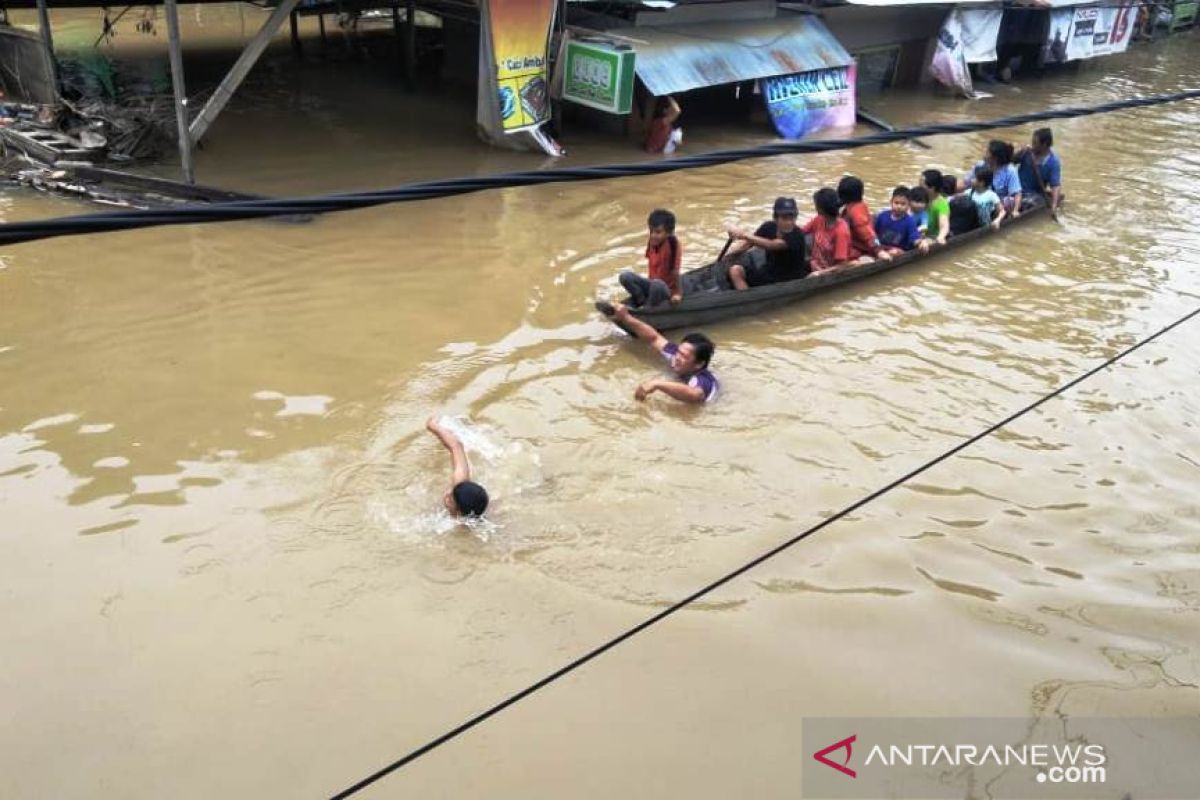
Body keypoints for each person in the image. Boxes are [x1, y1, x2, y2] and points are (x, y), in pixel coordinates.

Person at [595, 301, 718, 404]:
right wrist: (626, 318)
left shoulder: (703, 380)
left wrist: (657, 384)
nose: (677, 357)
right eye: (679, 352)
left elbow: (695, 395)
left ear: (699, 364)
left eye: (684, 356)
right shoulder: (676, 355)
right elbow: (654, 338)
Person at [723, 196, 808, 290]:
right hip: (769, 272)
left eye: (792, 218)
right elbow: (748, 244)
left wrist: (743, 234)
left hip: (790, 279)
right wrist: (729, 255)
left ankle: (750, 301)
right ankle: (747, 298)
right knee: (735, 271)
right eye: (784, 218)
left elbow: (771, 245)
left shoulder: (796, 235)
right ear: (775, 218)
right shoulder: (768, 227)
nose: (789, 222)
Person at [426, 416, 489, 518]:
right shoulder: (460, 484)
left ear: (458, 513)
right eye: (452, 492)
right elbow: (456, 446)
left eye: (450, 498)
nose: (447, 495)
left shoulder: (462, 528)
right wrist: (434, 426)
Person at [619, 208, 681, 308]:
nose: (653, 235)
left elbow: (675, 272)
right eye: (651, 231)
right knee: (625, 276)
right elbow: (652, 264)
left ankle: (647, 309)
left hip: (664, 289)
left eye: (658, 232)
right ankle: (641, 300)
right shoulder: (652, 241)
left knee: (657, 284)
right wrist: (646, 286)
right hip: (652, 284)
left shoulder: (673, 244)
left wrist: (677, 294)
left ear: (668, 233)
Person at [838, 175, 892, 263]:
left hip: (859, 248)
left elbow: (867, 233)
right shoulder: (854, 205)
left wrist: (879, 251)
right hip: (855, 243)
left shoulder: (856, 212)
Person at [802, 187, 854, 275]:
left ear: (820, 210)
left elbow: (842, 266)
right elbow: (802, 232)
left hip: (825, 272)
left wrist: (819, 273)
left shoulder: (841, 231)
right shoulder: (819, 219)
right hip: (813, 264)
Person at [963, 140, 1023, 216]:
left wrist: (1015, 211)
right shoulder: (981, 165)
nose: (984, 152)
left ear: (994, 158)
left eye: (987, 151)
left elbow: (1017, 194)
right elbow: (966, 183)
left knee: (1009, 201)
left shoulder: (1010, 170)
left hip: (997, 205)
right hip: (979, 199)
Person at [1016, 127, 1062, 217]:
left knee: (1030, 203)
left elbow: (1055, 185)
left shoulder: (1053, 162)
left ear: (1044, 144)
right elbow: (1009, 161)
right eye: (1032, 142)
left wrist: (1054, 206)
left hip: (1033, 194)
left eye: (1035, 143)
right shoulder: (1026, 152)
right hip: (1017, 191)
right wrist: (1020, 152)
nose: (1032, 145)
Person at [874, 186, 920, 253]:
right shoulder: (882, 216)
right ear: (891, 202)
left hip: (899, 250)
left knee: (894, 252)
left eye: (903, 204)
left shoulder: (910, 221)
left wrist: (920, 242)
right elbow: (874, 233)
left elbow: (914, 237)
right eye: (896, 203)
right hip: (882, 248)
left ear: (909, 205)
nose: (899, 206)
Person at [916, 170, 951, 253]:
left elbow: (944, 226)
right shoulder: (919, 196)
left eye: (922, 184)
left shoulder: (942, 204)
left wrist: (941, 237)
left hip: (931, 237)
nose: (919, 185)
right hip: (917, 232)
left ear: (932, 188)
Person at [968, 166, 1007, 230]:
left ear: (982, 183)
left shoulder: (991, 195)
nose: (971, 180)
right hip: (972, 226)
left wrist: (997, 220)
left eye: (974, 178)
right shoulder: (969, 193)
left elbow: (1002, 211)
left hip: (986, 227)